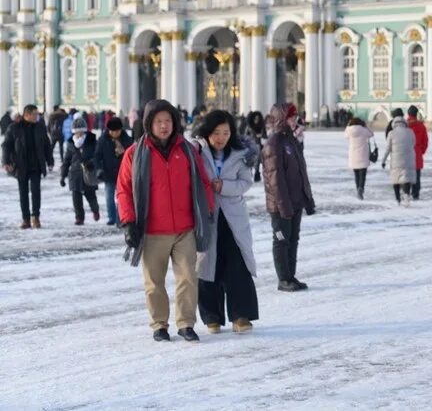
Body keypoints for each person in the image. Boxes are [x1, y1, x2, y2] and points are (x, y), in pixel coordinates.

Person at [117, 99, 215, 343]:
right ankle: (159, 324)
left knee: (188, 278)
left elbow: (203, 183)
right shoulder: (135, 154)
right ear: (149, 124)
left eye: (168, 121)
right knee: (154, 282)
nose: (164, 126)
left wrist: (208, 210)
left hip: (185, 228)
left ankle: (186, 323)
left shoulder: (187, 150)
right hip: (152, 230)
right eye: (158, 122)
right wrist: (128, 222)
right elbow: (124, 190)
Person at [194, 110, 260, 334]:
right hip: (207, 215)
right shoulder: (197, 152)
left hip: (233, 218)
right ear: (207, 133)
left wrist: (225, 187)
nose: (221, 137)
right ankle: (211, 316)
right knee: (207, 264)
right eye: (216, 133)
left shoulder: (240, 154)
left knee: (237, 264)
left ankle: (241, 315)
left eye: (226, 132)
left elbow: (245, 182)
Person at [262, 103, 315, 292]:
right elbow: (275, 180)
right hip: (281, 205)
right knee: (281, 240)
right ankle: (283, 279)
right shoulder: (274, 143)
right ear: (282, 118)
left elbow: (301, 173)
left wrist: (307, 199)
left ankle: (291, 276)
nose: (294, 120)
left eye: (295, 116)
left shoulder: (290, 140)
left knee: (293, 240)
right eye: (291, 117)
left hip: (295, 201)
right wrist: (283, 206)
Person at [2, 105, 54, 229]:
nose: (37, 116)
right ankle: (25, 219)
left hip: (36, 166)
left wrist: (50, 161)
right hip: (20, 166)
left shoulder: (40, 127)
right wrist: (6, 161)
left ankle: (35, 217)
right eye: (35, 114)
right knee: (23, 193)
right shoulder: (14, 128)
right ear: (27, 115)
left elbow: (47, 145)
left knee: (36, 192)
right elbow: (6, 145)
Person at [60, 116, 100, 225]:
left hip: (89, 173)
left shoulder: (92, 141)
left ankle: (95, 210)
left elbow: (97, 155)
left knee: (91, 195)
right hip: (75, 174)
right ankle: (79, 217)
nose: (79, 134)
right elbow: (66, 160)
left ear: (85, 131)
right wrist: (63, 176)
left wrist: (93, 163)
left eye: (81, 132)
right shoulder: (70, 144)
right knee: (76, 198)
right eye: (77, 132)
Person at [95, 117, 133, 226]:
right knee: (109, 197)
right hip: (108, 173)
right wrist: (99, 168)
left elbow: (132, 156)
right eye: (111, 131)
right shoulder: (103, 140)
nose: (113, 133)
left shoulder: (127, 140)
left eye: (116, 131)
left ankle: (119, 218)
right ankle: (112, 217)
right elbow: (97, 156)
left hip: (123, 174)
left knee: (122, 197)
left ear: (120, 130)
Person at [383, 112, 417, 206]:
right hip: (408, 159)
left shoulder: (391, 133)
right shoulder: (410, 132)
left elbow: (388, 148)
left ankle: (398, 199)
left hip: (396, 160)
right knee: (406, 178)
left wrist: (383, 160)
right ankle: (406, 196)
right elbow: (413, 143)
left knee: (396, 179)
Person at [345, 117, 374, 200]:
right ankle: (361, 188)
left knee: (356, 175)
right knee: (362, 175)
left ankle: (358, 188)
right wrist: (366, 126)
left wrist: (348, 125)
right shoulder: (364, 130)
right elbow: (371, 134)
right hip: (363, 155)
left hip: (353, 156)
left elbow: (345, 135)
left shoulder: (349, 130)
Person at [407, 105, 428, 200]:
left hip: (406, 154)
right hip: (417, 154)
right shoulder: (421, 126)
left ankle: (406, 193)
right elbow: (425, 141)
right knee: (416, 176)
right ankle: (415, 195)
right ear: (416, 114)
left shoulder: (405, 125)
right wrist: (421, 151)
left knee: (406, 175)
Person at [246, 111, 266, 182]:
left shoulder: (262, 127)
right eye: (255, 118)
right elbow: (246, 136)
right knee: (250, 160)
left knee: (257, 160)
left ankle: (257, 174)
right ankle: (249, 174)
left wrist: (261, 136)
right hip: (251, 146)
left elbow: (265, 136)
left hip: (259, 145)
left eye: (258, 119)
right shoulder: (249, 127)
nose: (256, 120)